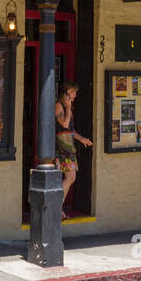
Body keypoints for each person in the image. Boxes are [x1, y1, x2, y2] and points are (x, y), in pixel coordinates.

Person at [55, 81, 92, 216]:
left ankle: (58, 206)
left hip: (69, 144)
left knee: (71, 177)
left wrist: (82, 139)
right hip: (62, 144)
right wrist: (68, 107)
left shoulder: (67, 108)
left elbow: (71, 130)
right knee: (70, 176)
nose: (75, 95)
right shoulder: (59, 106)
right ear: (66, 93)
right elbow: (64, 124)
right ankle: (57, 207)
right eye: (73, 92)